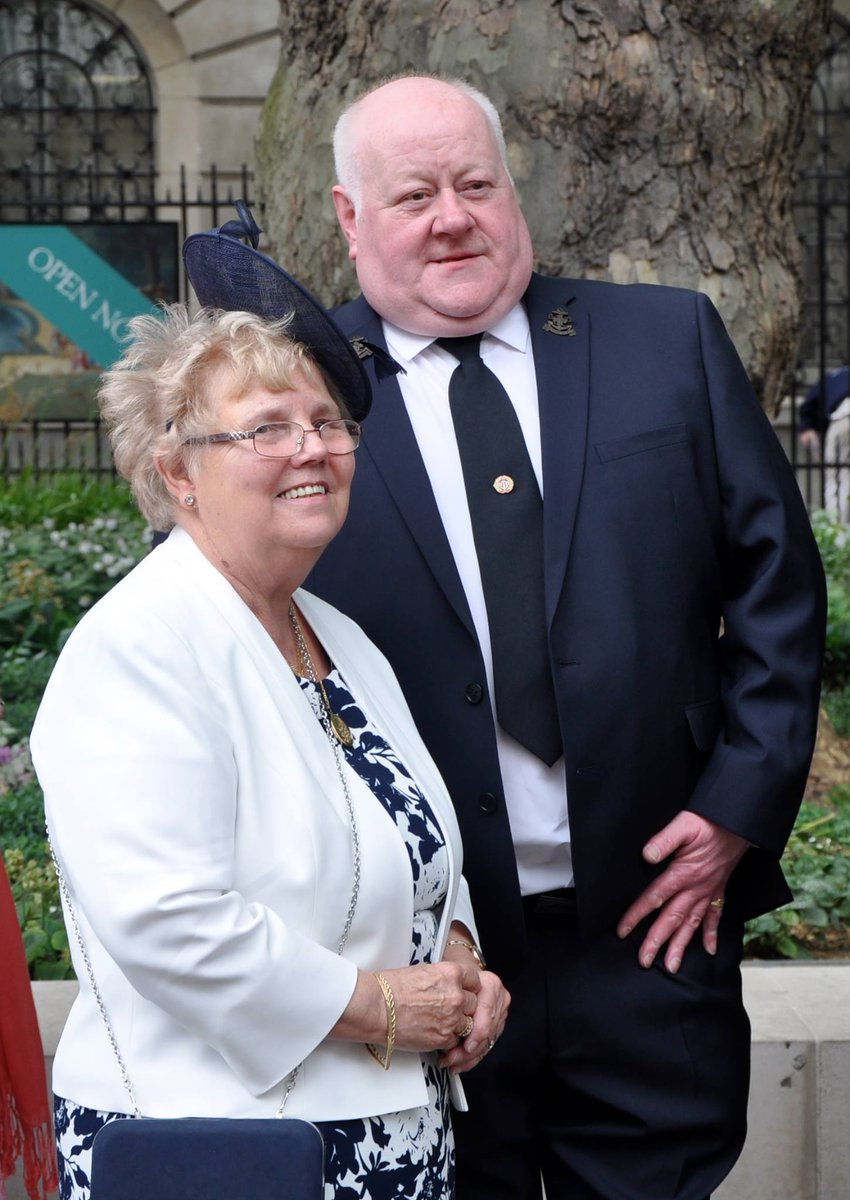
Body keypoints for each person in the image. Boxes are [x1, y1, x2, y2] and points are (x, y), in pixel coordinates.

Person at [305, 75, 828, 1199]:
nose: (453, 217)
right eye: (412, 196)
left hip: (653, 925)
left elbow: (778, 585)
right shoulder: (299, 398)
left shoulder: (664, 338)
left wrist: (738, 809)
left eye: (474, 184)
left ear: (512, 190)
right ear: (350, 219)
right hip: (423, 958)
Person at [30, 220, 509, 1200]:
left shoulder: (337, 634)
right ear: (175, 473)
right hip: (213, 1145)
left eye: (328, 422)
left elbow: (409, 837)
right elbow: (169, 921)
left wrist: (457, 963)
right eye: (266, 429)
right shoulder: (138, 647)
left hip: (384, 1131)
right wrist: (377, 1005)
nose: (313, 449)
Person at [798, 366, 850, 521]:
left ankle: (837, 525)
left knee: (834, 476)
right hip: (841, 418)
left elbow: (808, 404)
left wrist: (807, 427)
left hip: (839, 420)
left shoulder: (833, 377)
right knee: (845, 476)